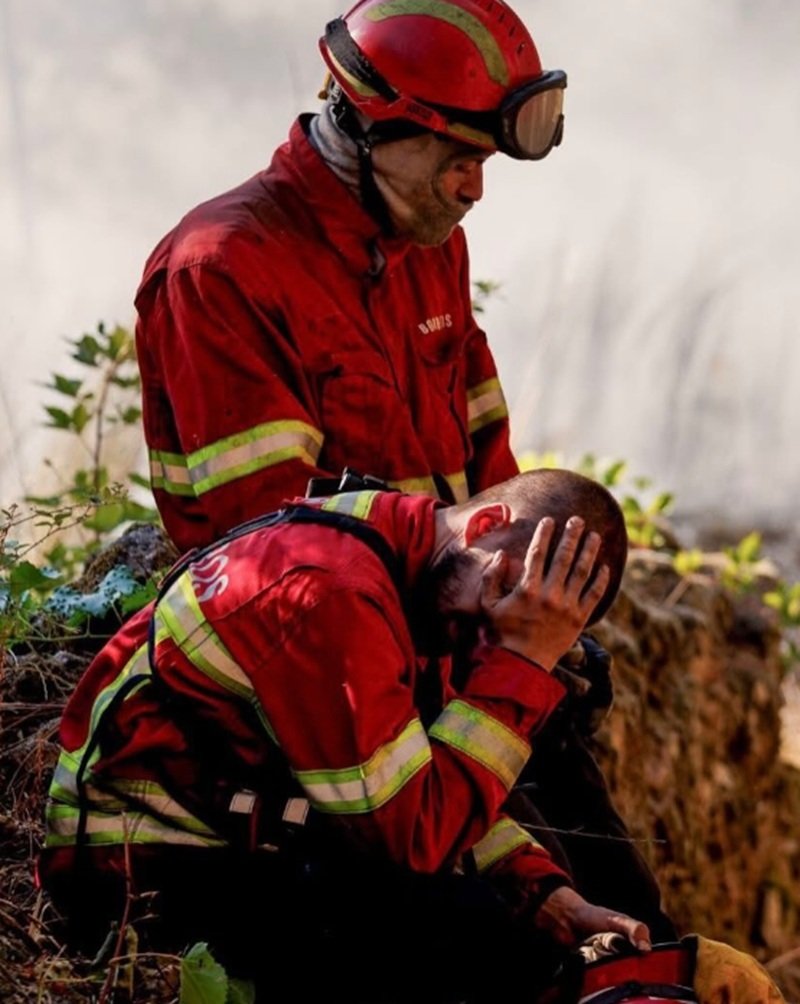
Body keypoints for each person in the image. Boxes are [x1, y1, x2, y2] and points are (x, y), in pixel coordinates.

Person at [40, 468, 655, 1002]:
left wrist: (544, 893)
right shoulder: (333, 592)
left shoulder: (411, 560)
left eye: (526, 628)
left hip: (240, 838)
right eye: (503, 605)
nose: (486, 646)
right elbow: (415, 837)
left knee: (517, 924)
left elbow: (419, 771)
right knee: (470, 944)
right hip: (137, 871)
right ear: (485, 523)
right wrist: (522, 659)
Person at [134, 0, 569, 553]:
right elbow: (272, 537)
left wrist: (517, 567)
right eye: (460, 161)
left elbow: (488, 465)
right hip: (311, 619)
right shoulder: (221, 269)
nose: (475, 191)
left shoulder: (429, 243)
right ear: (376, 125)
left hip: (440, 606)